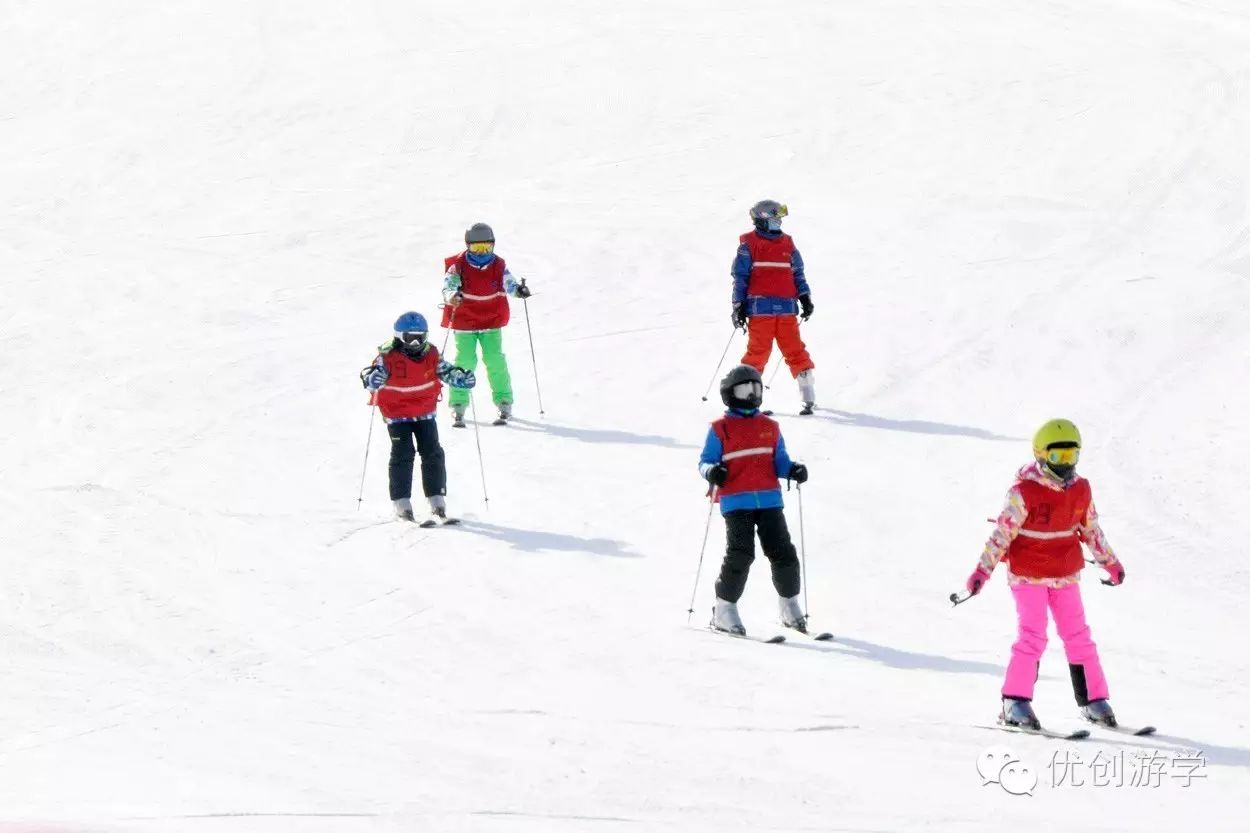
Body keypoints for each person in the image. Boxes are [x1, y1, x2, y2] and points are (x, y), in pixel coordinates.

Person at [964, 419, 1128, 729]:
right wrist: (981, 573)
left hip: (1065, 574)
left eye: (1071, 456)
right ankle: (1015, 701)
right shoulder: (1022, 492)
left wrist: (1111, 563)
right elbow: (1001, 535)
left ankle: (1093, 700)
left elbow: (1091, 530)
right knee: (1033, 635)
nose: (1065, 465)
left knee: (1079, 636)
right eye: (1057, 457)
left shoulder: (1081, 490)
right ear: (1041, 455)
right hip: (1028, 575)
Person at [698, 364, 810, 636]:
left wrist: (792, 469)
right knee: (741, 554)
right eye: (745, 389)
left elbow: (779, 461)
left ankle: (789, 605)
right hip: (737, 502)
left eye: (756, 388)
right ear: (730, 393)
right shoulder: (720, 429)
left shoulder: (770, 427)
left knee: (783, 552)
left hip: (770, 500)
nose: (752, 394)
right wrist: (713, 471)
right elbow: (705, 462)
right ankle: (724, 610)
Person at [360, 311, 477, 525]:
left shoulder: (431, 354)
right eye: (410, 338)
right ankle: (402, 504)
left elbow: (447, 372)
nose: (415, 343)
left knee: (432, 452)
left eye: (420, 337)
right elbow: (370, 377)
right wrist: (373, 379)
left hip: (424, 412)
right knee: (403, 454)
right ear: (399, 337)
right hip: (397, 415)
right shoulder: (387, 356)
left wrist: (462, 379)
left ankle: (437, 500)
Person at [440, 222, 532, 427]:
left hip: (490, 320)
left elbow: (509, 283)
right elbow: (448, 285)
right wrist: (452, 295)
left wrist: (518, 290)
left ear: (493, 246)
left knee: (495, 360)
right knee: (464, 362)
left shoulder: (498, 265)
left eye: (486, 248)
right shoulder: (458, 265)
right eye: (476, 248)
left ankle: (504, 401)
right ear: (468, 246)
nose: (481, 253)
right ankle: (458, 404)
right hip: (465, 321)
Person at [731, 200, 817, 414]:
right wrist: (738, 304)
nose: (779, 222)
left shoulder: (788, 244)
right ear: (761, 220)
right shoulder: (749, 245)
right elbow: (740, 277)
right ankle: (749, 400)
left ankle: (808, 395)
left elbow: (798, 273)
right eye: (775, 219)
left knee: (794, 349)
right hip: (761, 310)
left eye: (780, 219)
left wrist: (804, 297)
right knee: (758, 352)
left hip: (786, 309)